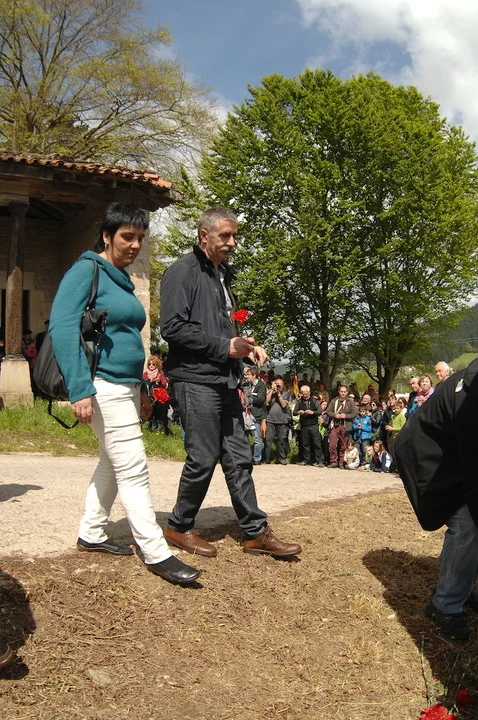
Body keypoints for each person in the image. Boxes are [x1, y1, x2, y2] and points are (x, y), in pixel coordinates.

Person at [49, 202, 200, 586]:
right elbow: (62, 328)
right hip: (101, 384)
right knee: (132, 465)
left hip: (127, 385)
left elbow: (126, 339)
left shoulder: (119, 278)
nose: (135, 245)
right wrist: (79, 389)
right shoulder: (86, 270)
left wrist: (143, 389)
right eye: (127, 237)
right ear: (106, 235)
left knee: (111, 462)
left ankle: (91, 532)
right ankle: (155, 551)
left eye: (140, 238)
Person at [160, 206, 301, 559]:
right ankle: (179, 526)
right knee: (203, 457)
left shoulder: (223, 276)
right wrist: (224, 347)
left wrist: (246, 347)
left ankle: (255, 532)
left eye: (234, 236)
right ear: (203, 235)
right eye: (225, 235)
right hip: (195, 380)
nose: (232, 242)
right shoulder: (182, 271)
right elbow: (172, 328)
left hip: (224, 380)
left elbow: (223, 329)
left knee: (239, 457)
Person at [395, 359, 478, 641]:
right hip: (422, 454)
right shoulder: (468, 399)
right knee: (468, 523)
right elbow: (473, 465)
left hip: (448, 453)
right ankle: (445, 604)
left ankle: (460, 587)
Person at [326, 385, 358, 468]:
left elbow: (355, 413)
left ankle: (341, 462)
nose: (343, 393)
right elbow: (328, 411)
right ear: (339, 392)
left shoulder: (350, 402)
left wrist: (346, 416)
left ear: (347, 392)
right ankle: (333, 461)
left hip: (345, 426)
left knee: (343, 446)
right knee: (332, 445)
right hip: (335, 425)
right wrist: (335, 415)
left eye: (344, 392)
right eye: (341, 391)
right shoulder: (334, 401)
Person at [293, 385, 325, 467]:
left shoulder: (314, 400)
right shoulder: (299, 401)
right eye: (303, 394)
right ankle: (306, 460)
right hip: (304, 425)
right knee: (305, 444)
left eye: (306, 394)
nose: (305, 396)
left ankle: (320, 460)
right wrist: (299, 412)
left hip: (313, 424)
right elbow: (294, 412)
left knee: (317, 443)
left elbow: (320, 411)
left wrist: (312, 412)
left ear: (309, 393)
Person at [264, 377, 292, 465]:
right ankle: (267, 459)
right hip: (270, 420)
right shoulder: (271, 393)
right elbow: (266, 401)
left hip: (282, 421)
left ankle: (281, 458)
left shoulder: (286, 394)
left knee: (281, 441)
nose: (278, 386)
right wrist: (271, 391)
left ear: (283, 385)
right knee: (268, 440)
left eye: (280, 385)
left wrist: (279, 395)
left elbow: (284, 405)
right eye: (277, 384)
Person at [243, 365, 267, 465]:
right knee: (244, 438)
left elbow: (261, 399)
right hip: (246, 415)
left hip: (257, 415)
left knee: (257, 438)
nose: (247, 377)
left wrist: (249, 398)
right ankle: (245, 458)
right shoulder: (246, 385)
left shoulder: (261, 385)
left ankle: (257, 458)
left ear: (254, 375)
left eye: (248, 375)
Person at [142, 354, 171, 434]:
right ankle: (151, 428)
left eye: (153, 364)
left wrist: (158, 381)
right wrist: (148, 381)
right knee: (151, 414)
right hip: (149, 397)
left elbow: (165, 384)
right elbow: (143, 384)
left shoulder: (160, 373)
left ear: (157, 365)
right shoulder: (145, 374)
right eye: (149, 364)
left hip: (159, 398)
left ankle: (162, 429)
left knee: (161, 414)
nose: (151, 366)